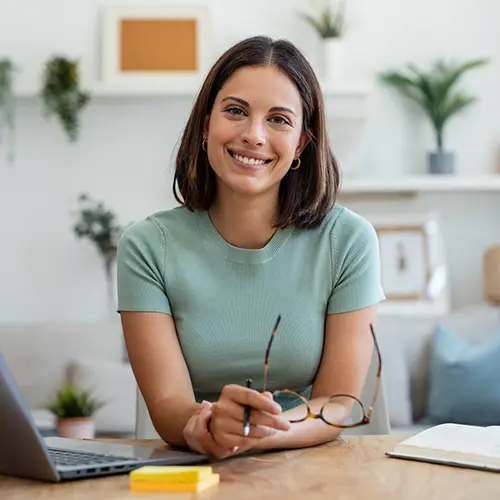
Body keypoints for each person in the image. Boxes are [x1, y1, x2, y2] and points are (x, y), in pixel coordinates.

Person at [116, 35, 385, 460]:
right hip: (198, 469)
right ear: (206, 125)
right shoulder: (147, 247)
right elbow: (168, 408)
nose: (253, 135)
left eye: (279, 119)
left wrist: (256, 432)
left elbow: (338, 403)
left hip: (316, 474)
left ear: (300, 144)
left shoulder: (348, 240)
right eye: (236, 111)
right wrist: (207, 427)